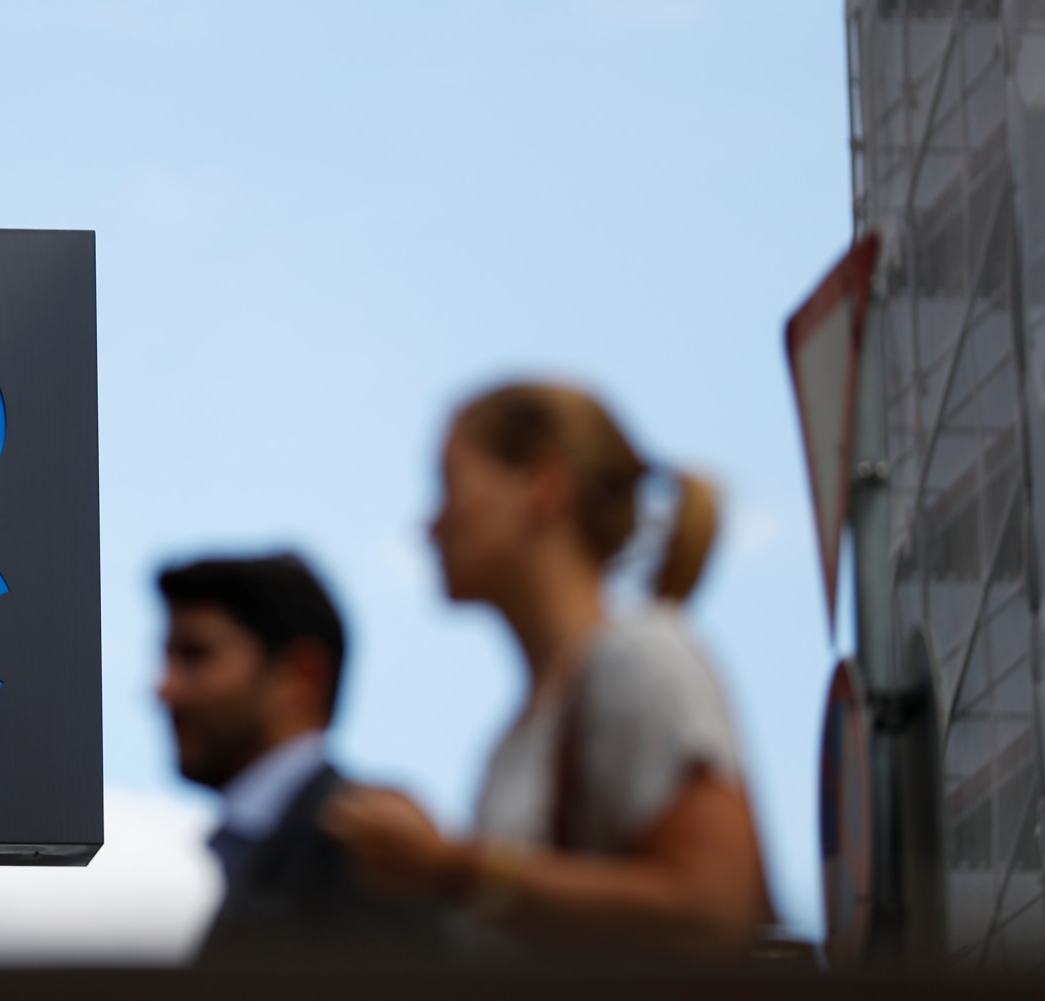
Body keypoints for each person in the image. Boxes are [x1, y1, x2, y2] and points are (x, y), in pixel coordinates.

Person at [325, 382, 771, 964]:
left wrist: (453, 867)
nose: (431, 525)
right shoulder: (525, 727)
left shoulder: (639, 656)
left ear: (543, 484)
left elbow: (715, 911)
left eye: (449, 486)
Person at [156, 554, 446, 970]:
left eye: (195, 656)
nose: (165, 689)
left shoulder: (363, 849)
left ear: (300, 677)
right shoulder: (277, 850)